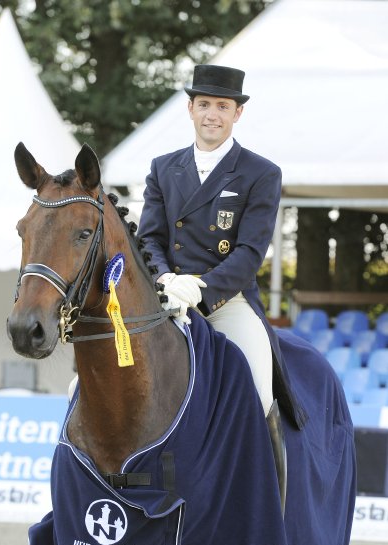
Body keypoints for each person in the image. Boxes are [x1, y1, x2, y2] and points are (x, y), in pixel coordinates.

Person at [138, 64, 305, 510]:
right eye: (205, 105)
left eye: (223, 107)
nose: (213, 114)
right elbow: (149, 238)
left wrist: (203, 287)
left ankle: (269, 504)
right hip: (165, 299)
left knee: (259, 389)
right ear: (191, 109)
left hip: (226, 301)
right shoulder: (162, 167)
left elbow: (251, 252)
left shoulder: (259, 172)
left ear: (237, 114)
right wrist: (165, 278)